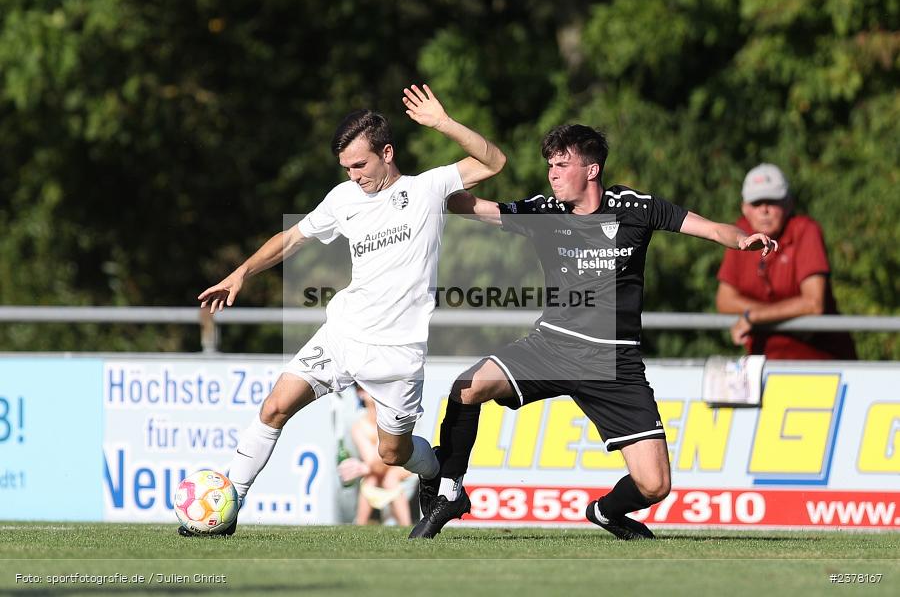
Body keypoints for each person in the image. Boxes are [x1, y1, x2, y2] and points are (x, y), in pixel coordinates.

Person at [408, 124, 776, 540]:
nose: (552, 173)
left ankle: (605, 512)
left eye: (562, 164)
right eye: (550, 164)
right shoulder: (544, 213)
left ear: (592, 169)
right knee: (466, 387)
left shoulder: (636, 207)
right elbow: (471, 206)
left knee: (655, 485)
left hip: (614, 362)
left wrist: (743, 239)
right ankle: (450, 491)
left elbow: (710, 228)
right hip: (551, 346)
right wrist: (432, 173)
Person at [184, 84, 506, 536]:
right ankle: (229, 504)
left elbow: (494, 163)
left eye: (360, 164)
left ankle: (436, 476)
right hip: (343, 335)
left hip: (397, 352)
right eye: (346, 167)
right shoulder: (343, 199)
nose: (353, 175)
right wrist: (241, 273)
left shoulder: (429, 188)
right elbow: (293, 238)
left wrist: (443, 123)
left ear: (387, 153)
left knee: (391, 454)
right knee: (276, 406)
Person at [716, 163, 857, 360]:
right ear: (745, 208)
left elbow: (813, 303)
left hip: (821, 363)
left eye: (772, 201)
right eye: (757, 203)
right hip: (764, 362)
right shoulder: (740, 235)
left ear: (788, 204)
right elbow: (724, 300)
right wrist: (778, 313)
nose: (764, 210)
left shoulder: (806, 231)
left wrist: (754, 317)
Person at [338, 385, 415, 525]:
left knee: (389, 477)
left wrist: (365, 468)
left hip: (403, 466)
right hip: (380, 470)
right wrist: (369, 467)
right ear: (360, 393)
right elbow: (374, 462)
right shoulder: (359, 426)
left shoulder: (393, 416)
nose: (374, 390)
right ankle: (360, 526)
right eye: (365, 387)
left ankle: (406, 526)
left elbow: (396, 457)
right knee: (372, 478)